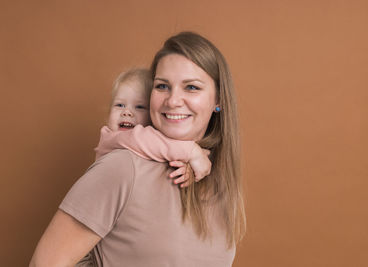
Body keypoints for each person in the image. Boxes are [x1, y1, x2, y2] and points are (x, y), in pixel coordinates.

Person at [30, 31, 245, 267]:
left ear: (218, 101)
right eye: (162, 86)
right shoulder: (123, 167)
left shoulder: (218, 181)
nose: (173, 101)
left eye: (191, 87)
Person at [94, 68, 212, 187]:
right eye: (119, 105)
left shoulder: (155, 146)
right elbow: (139, 139)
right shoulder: (110, 137)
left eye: (139, 107)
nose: (127, 112)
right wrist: (191, 152)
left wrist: (186, 169)